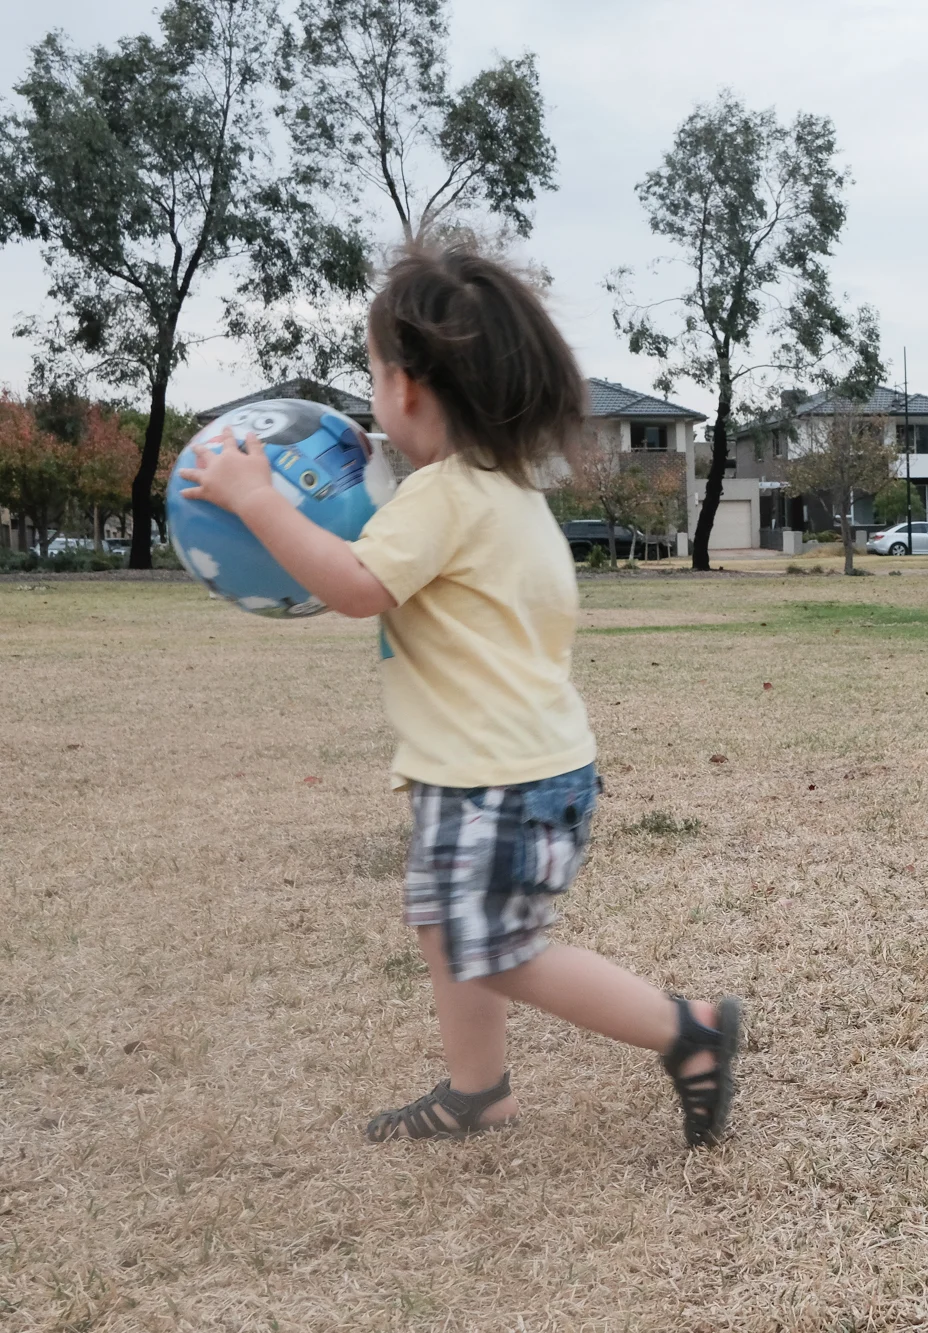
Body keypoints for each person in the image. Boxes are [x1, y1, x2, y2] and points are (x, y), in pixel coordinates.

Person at [177, 246, 743, 1147]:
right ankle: (478, 1091)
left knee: (499, 949)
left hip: (500, 779)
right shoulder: (502, 493)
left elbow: (355, 586)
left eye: (373, 374)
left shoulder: (440, 498)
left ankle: (690, 1029)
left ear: (407, 388)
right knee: (446, 927)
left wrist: (257, 499)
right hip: (502, 769)